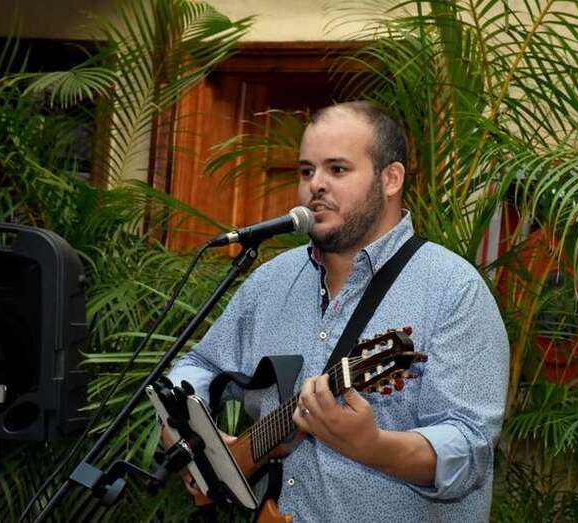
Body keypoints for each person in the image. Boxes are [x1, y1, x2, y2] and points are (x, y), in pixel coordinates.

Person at [167, 101, 509, 522]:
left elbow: (471, 450)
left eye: (337, 169)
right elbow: (198, 365)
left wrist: (374, 447)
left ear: (391, 179)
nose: (316, 185)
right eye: (306, 171)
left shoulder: (453, 290)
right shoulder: (270, 282)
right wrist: (190, 435)